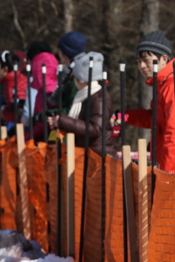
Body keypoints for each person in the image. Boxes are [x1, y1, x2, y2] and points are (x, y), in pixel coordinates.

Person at [125, 30, 175, 172]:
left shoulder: (171, 86)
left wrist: (166, 176)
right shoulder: (162, 85)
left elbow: (173, 133)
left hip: (169, 169)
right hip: (161, 163)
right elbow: (154, 119)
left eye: (146, 60)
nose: (141, 66)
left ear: (164, 58)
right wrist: (126, 115)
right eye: (138, 61)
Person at [47, 52, 115, 155]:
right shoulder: (85, 95)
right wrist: (59, 122)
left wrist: (62, 120)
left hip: (98, 155)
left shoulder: (99, 98)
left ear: (81, 80)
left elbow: (95, 129)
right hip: (88, 151)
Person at [50, 31, 87, 116]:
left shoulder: (75, 74)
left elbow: (71, 109)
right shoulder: (77, 69)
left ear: (63, 52)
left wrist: (43, 115)